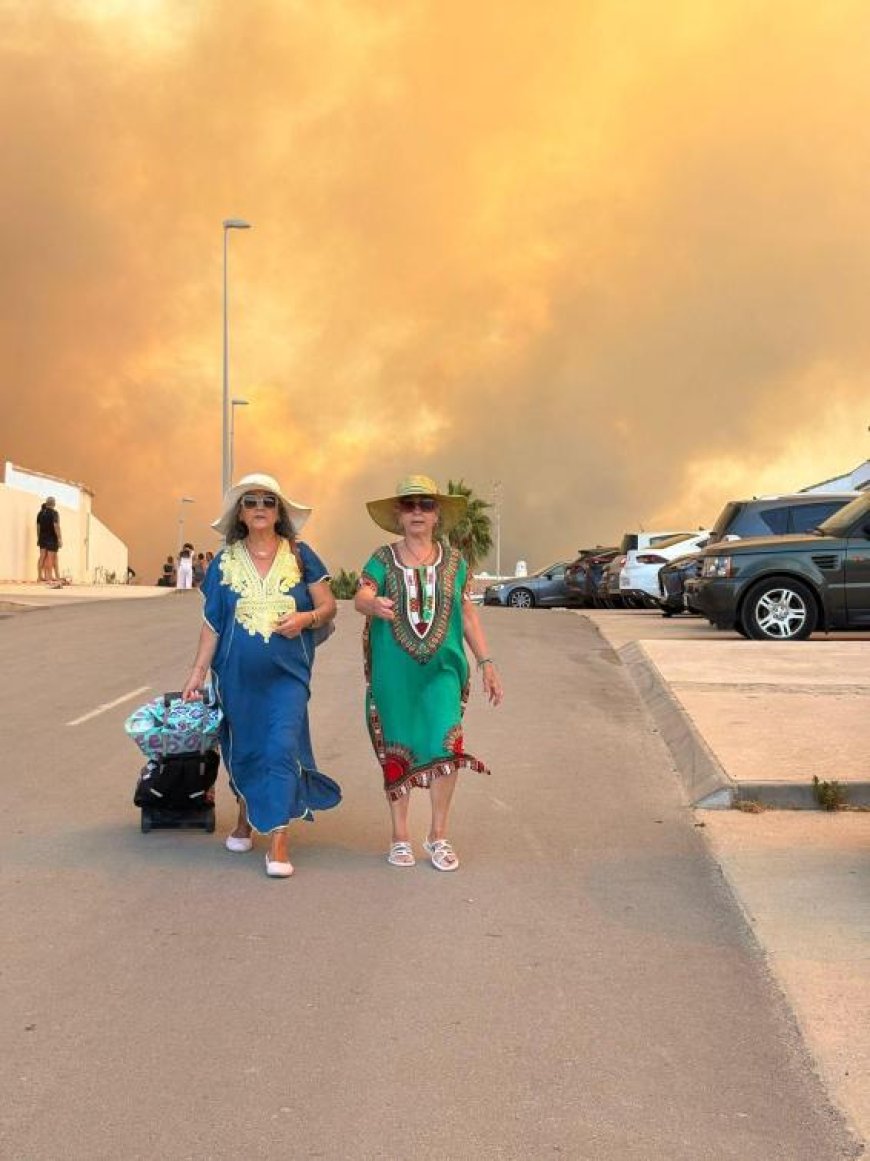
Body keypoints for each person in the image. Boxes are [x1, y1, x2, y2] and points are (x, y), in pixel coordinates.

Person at [181, 473, 340, 878]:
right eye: (250, 502)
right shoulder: (224, 562)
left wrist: (306, 617)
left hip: (288, 676)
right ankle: (244, 819)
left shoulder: (302, 555)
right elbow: (212, 623)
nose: (259, 508)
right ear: (240, 512)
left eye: (268, 501)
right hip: (236, 678)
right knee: (247, 747)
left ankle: (279, 843)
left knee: (281, 747)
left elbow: (328, 607)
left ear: (279, 511)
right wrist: (198, 672)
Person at [354, 475, 503, 872]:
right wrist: (373, 604)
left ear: (437, 515)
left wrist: (486, 662)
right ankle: (399, 836)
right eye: (409, 505)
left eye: (426, 505)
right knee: (396, 748)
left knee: (446, 746)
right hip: (394, 674)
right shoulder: (382, 559)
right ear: (399, 516)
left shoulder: (455, 564)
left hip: (444, 672)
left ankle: (438, 835)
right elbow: (361, 593)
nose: (417, 512)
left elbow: (467, 614)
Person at [36, 497, 62, 583]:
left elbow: (38, 527)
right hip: (52, 538)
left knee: (42, 557)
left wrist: (38, 537)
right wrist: (59, 538)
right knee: (51, 557)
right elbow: (56, 526)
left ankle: (40, 577)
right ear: (54, 504)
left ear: (46, 503)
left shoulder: (40, 513)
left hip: (42, 538)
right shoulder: (54, 513)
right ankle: (49, 578)